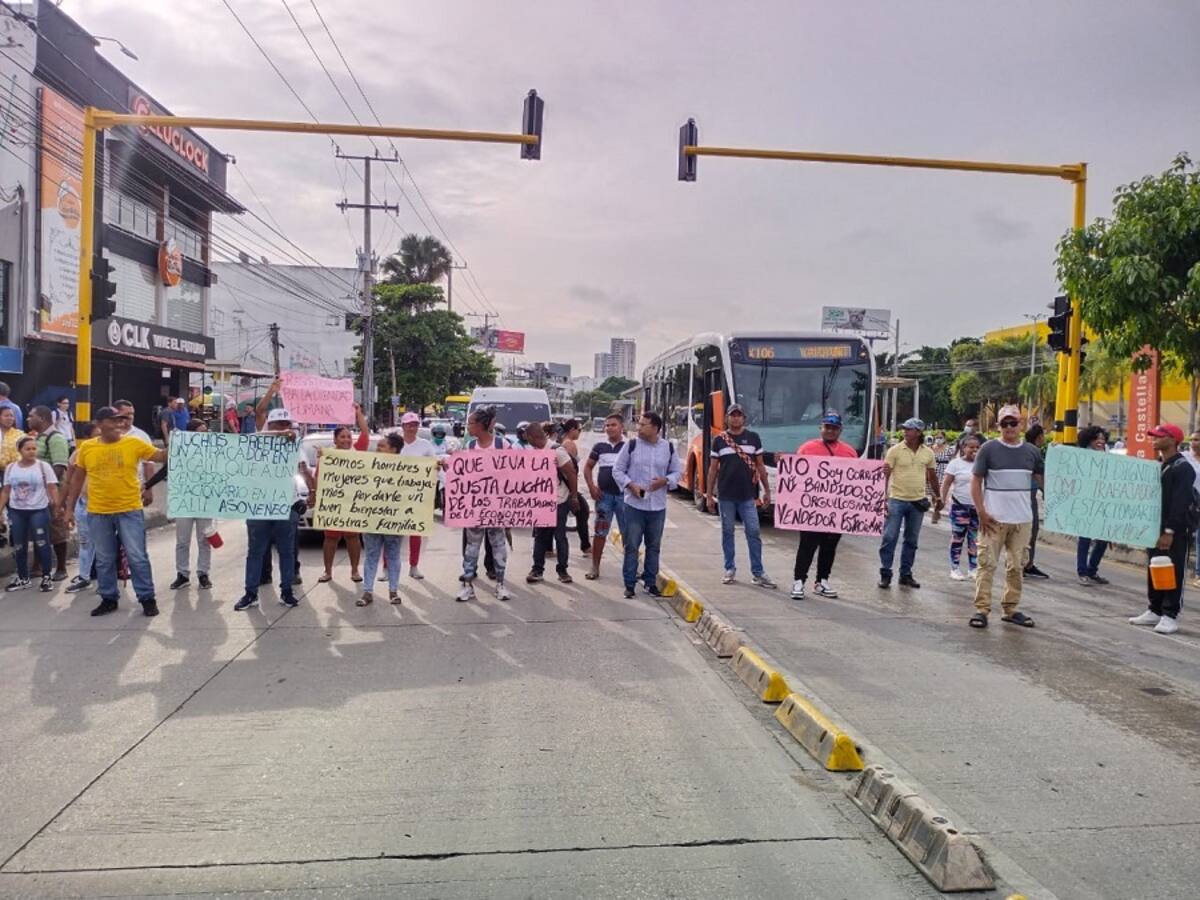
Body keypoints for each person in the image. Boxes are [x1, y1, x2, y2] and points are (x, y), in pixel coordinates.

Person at [61, 407, 167, 617]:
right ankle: (109, 598)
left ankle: (147, 598)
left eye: (121, 419)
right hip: (98, 512)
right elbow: (77, 479)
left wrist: (180, 441)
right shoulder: (87, 448)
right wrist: (69, 508)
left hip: (129, 510)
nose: (119, 423)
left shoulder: (134, 443)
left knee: (137, 557)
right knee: (104, 558)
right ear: (99, 424)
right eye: (114, 420)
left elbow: (161, 456)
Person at [968, 405, 1043, 629]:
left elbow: (1041, 479)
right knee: (986, 564)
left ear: (1021, 424)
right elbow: (976, 481)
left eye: (1013, 423)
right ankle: (981, 609)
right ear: (998, 426)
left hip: (1022, 520)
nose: (1009, 427)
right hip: (993, 519)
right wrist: (981, 511)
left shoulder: (1032, 452)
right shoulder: (988, 449)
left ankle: (1011, 608)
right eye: (1005, 424)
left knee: (1017, 566)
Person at [235, 405, 303, 612]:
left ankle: (287, 592)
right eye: (278, 424)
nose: (283, 428)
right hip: (258, 507)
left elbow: (302, 469)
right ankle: (250, 593)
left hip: (285, 506)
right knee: (255, 552)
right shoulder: (255, 443)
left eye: (286, 424)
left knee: (286, 552)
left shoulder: (294, 446)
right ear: (269, 425)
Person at [1130, 423, 1194, 635]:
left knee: (1172, 571)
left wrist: (1169, 531)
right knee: (1155, 568)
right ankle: (1155, 609)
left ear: (1174, 440)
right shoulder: (1160, 464)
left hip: (1174, 531)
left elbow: (1180, 502)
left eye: (1159, 436)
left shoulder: (1182, 467)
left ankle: (1170, 614)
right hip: (1153, 529)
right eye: (1153, 436)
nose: (1154, 439)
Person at [612, 411, 682, 599]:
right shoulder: (631, 445)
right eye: (639, 424)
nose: (639, 428)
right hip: (634, 506)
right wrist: (630, 484)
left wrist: (665, 481)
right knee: (632, 545)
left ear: (655, 428)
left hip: (657, 507)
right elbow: (617, 470)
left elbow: (677, 472)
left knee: (654, 546)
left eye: (643, 425)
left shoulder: (668, 447)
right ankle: (629, 584)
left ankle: (650, 583)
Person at [705, 403, 775, 588]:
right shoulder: (719, 440)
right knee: (727, 532)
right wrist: (709, 495)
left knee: (753, 532)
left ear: (744, 418)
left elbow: (760, 466)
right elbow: (713, 469)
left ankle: (758, 572)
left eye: (739, 415)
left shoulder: (753, 438)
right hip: (726, 495)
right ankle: (729, 568)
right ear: (727, 418)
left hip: (747, 496)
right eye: (732, 415)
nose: (735, 418)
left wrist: (767, 490)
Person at [791, 412, 856, 599]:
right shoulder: (806, 448)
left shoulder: (850, 452)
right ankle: (798, 581)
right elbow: (795, 475)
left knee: (829, 547)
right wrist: (783, 463)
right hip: (811, 509)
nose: (830, 431)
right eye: (827, 427)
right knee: (807, 546)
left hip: (836, 510)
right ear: (821, 428)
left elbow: (858, 479)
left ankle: (822, 580)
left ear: (840, 430)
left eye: (834, 428)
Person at [456, 406, 512, 603]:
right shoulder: (469, 447)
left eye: (471, 423)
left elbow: (515, 473)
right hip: (475, 505)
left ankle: (500, 584)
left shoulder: (502, 445)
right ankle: (468, 584)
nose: (468, 426)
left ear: (481, 425)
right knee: (472, 547)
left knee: (498, 545)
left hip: (496, 504)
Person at [878, 418, 942, 589]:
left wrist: (938, 496)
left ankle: (905, 574)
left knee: (911, 540)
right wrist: (883, 498)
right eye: (905, 429)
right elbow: (884, 476)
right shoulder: (895, 451)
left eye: (910, 429)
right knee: (889, 537)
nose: (905, 432)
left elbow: (932, 476)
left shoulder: (927, 453)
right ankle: (885, 572)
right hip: (896, 499)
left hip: (917, 502)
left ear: (919, 432)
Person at [316, 400, 370, 584]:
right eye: (342, 437)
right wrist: (315, 496)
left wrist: (358, 413)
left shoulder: (357, 451)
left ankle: (355, 571)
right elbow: (319, 479)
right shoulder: (327, 456)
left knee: (352, 537)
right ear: (335, 440)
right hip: (332, 503)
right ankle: (327, 571)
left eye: (349, 436)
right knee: (330, 539)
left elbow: (365, 432)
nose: (347, 440)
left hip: (352, 502)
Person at [2, 436, 60, 592]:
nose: (32, 452)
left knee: (42, 543)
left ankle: (47, 576)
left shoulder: (43, 466)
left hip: (38, 510)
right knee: (19, 546)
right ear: (20, 450)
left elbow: (52, 487)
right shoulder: (11, 468)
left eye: (34, 448)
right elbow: (6, 490)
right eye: (28, 449)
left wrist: (57, 506)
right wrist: (0, 509)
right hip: (17, 511)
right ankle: (23, 577)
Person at [525, 421, 579, 585]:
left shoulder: (557, 451)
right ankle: (537, 570)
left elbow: (571, 473)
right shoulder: (534, 452)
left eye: (528, 438)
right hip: (542, 503)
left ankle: (562, 571)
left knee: (559, 537)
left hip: (559, 501)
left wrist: (574, 497)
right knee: (540, 537)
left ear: (533, 437)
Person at [166, 419, 214, 591]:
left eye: (206, 431)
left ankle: (203, 574)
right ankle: (182, 574)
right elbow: (166, 468)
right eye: (201, 431)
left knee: (205, 540)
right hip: (184, 501)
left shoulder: (213, 451)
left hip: (205, 502)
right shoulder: (180, 451)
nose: (205, 434)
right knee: (182, 541)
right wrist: (147, 485)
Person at [358, 432, 405, 606]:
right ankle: (368, 592)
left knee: (393, 555)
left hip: (394, 520)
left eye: (381, 446)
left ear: (394, 450)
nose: (377, 449)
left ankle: (393, 591)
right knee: (371, 555)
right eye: (377, 446)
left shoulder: (408, 468)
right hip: (372, 518)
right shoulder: (369, 465)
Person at [27, 405, 72, 582]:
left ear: (42, 419)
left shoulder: (56, 438)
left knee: (57, 529)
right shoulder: (37, 438)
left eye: (32, 416)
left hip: (53, 493)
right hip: (36, 494)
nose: (28, 419)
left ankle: (61, 567)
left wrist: (48, 489)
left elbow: (59, 467)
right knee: (38, 528)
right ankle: (37, 566)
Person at [583, 413, 627, 581]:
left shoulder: (629, 446)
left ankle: (630, 568)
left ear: (621, 427)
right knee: (600, 532)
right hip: (604, 497)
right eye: (607, 425)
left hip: (624, 497)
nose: (609, 428)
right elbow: (588, 468)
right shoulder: (599, 446)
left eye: (613, 425)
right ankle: (595, 567)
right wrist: (592, 487)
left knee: (628, 534)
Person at [397, 411, 437, 579]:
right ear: (403, 426)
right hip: (396, 495)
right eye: (409, 424)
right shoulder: (395, 443)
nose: (412, 427)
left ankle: (414, 566)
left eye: (415, 424)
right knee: (392, 533)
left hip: (418, 495)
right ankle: (387, 566)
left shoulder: (425, 445)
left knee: (415, 533)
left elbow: (434, 466)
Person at [62, 422, 98, 594]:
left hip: (106, 506)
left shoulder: (115, 450)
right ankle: (84, 577)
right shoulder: (79, 454)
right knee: (85, 543)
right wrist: (65, 506)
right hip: (83, 504)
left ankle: (109, 581)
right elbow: (69, 481)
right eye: (97, 433)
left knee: (107, 545)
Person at [940, 433, 981, 581]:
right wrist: (941, 499)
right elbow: (946, 483)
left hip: (977, 508)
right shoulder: (955, 464)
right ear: (963, 448)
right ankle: (955, 568)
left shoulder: (982, 464)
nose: (974, 450)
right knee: (958, 538)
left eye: (977, 447)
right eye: (971, 447)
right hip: (960, 507)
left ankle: (973, 568)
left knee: (974, 540)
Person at [1075, 426, 1112, 586]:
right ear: (1089, 440)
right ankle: (1082, 571)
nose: (1101, 441)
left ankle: (1092, 570)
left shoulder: (1108, 455)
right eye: (1097, 438)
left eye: (1103, 438)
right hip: (1087, 501)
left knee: (1104, 537)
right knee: (1085, 537)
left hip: (1104, 502)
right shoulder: (1082, 455)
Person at [1022, 423, 1050, 579]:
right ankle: (1024, 564)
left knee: (1030, 531)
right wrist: (1046, 491)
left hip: (1024, 495)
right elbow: (1038, 476)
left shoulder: (1024, 449)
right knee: (1030, 531)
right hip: (1027, 496)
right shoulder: (1034, 452)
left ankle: (1027, 563)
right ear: (1039, 437)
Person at [560, 419, 591, 556]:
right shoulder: (569, 444)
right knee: (583, 512)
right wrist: (573, 493)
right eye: (579, 430)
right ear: (572, 429)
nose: (579, 433)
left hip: (565, 486)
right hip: (568, 487)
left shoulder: (564, 442)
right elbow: (571, 471)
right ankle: (585, 546)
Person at [1183, 430, 1200, 588]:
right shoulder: (1184, 457)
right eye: (1192, 439)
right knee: (1186, 538)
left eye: (1197, 440)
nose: (1194, 443)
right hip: (1188, 503)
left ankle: (1199, 574)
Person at [0, 406, 21, 473]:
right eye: (6, 416)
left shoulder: (20, 435)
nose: (9, 418)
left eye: (11, 416)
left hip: (14, 472)